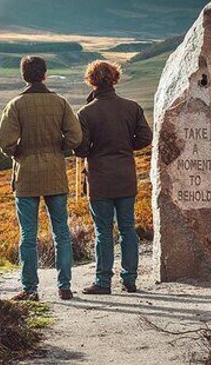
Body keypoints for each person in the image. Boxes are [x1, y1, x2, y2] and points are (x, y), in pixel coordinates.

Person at [0, 56, 82, 301]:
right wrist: (60, 148)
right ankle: (64, 286)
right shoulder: (60, 103)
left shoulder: (15, 105)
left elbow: (5, 142)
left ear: (24, 76)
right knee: (61, 233)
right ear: (45, 74)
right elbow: (75, 137)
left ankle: (30, 289)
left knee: (28, 236)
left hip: (26, 177)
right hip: (55, 172)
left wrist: (20, 152)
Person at [75, 60, 152, 294]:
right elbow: (145, 138)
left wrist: (93, 150)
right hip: (126, 176)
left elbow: (80, 149)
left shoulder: (86, 113)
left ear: (91, 80)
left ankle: (102, 281)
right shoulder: (132, 107)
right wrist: (126, 145)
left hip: (100, 179)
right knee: (128, 229)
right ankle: (130, 280)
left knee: (103, 232)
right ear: (115, 78)